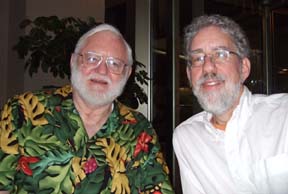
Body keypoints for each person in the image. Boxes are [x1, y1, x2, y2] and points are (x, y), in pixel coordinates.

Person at [0, 23, 174, 194]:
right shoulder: (23, 110)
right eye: (92, 58)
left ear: (127, 73)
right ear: (74, 61)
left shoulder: (140, 130)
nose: (102, 70)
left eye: (114, 63)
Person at [173, 14, 288, 194]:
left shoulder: (283, 116)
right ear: (189, 74)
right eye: (198, 58)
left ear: (244, 68)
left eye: (220, 54)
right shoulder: (186, 137)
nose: (208, 67)